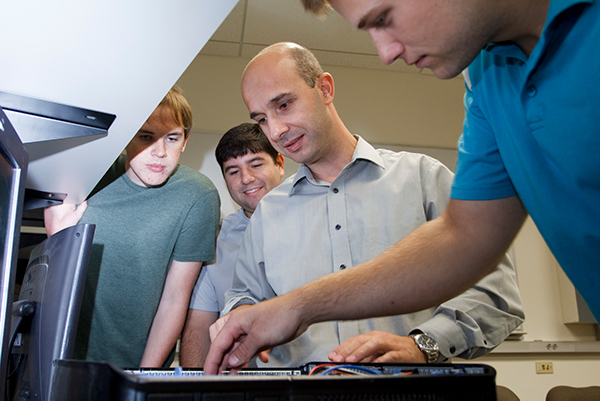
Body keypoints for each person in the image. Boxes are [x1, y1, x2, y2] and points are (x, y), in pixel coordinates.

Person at [204, 0, 600, 374]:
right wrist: (270, 313)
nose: (385, 52)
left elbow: (486, 278)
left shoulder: (424, 177)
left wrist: (423, 344)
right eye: (261, 119)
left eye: (383, 17)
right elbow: (465, 237)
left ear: (324, 89)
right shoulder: (486, 80)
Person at [44, 86, 220, 368]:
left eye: (172, 138)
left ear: (185, 141)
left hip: (139, 359)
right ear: (127, 138)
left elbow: (176, 298)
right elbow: (52, 276)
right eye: (146, 137)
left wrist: (143, 375)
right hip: (64, 356)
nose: (160, 152)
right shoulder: (85, 176)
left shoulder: (197, 196)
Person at [179, 123, 284, 367]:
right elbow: (198, 327)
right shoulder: (214, 241)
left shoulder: (317, 221)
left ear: (279, 164)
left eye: (256, 164)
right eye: (233, 171)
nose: (246, 178)